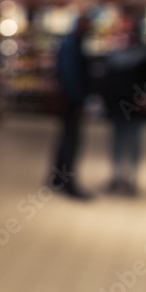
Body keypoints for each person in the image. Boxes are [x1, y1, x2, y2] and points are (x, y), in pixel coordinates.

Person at [104, 12, 146, 194]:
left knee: (134, 142)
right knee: (116, 142)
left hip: (136, 106)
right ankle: (117, 177)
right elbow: (107, 80)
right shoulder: (114, 54)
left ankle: (132, 180)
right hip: (116, 105)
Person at [49, 13, 93, 200]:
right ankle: (66, 182)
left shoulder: (73, 43)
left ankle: (58, 179)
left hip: (70, 98)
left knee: (67, 138)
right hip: (71, 100)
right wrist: (79, 100)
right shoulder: (71, 45)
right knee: (71, 141)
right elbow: (69, 74)